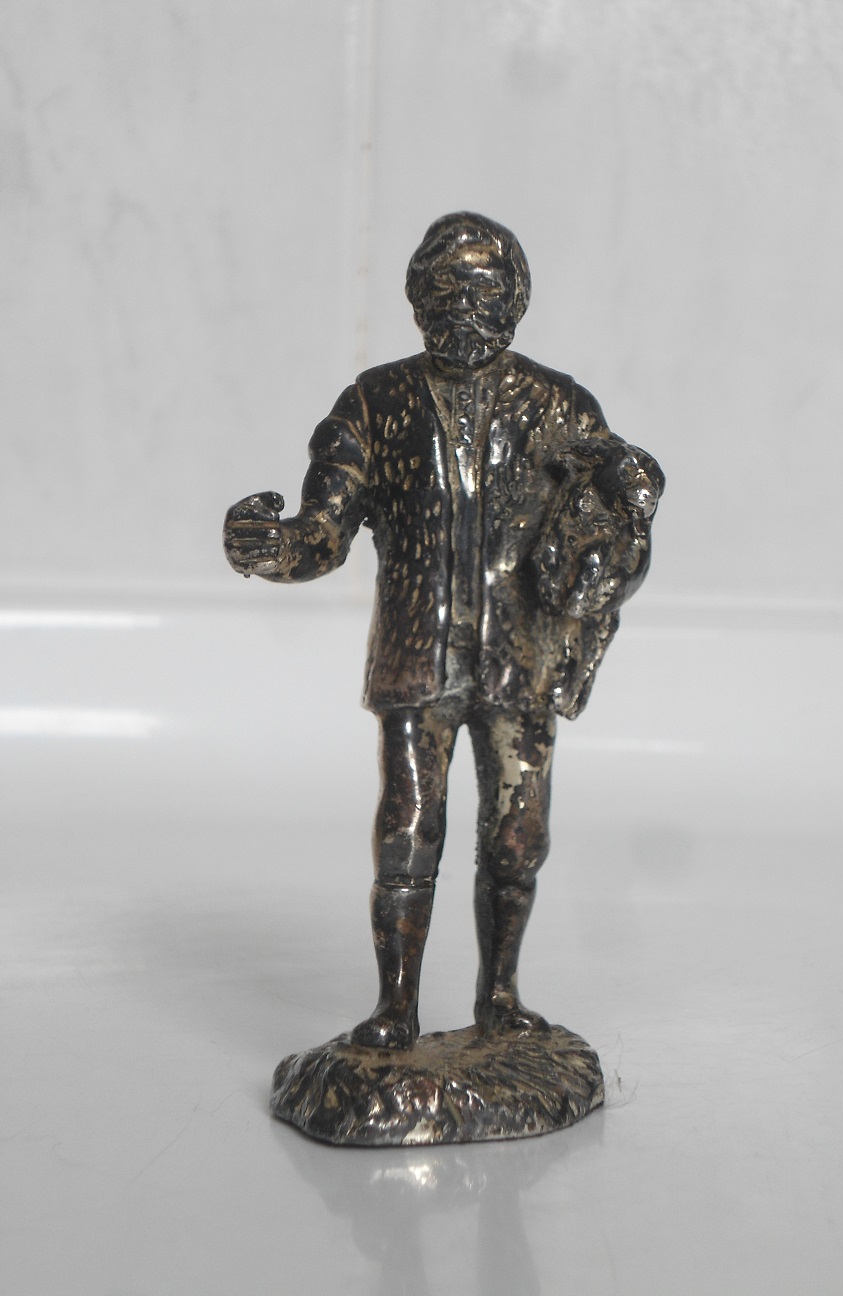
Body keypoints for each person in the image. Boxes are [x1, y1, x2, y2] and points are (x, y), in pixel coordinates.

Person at [224, 212, 664, 1049]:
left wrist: (630, 499)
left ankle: (500, 997)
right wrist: (273, 548)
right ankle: (396, 1009)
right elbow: (325, 530)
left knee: (518, 837)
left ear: (516, 300)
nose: (465, 304)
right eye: (446, 286)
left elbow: (609, 528)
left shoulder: (561, 407)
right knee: (407, 831)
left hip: (519, 661)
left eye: (485, 288)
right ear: (418, 297)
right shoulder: (374, 403)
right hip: (416, 656)